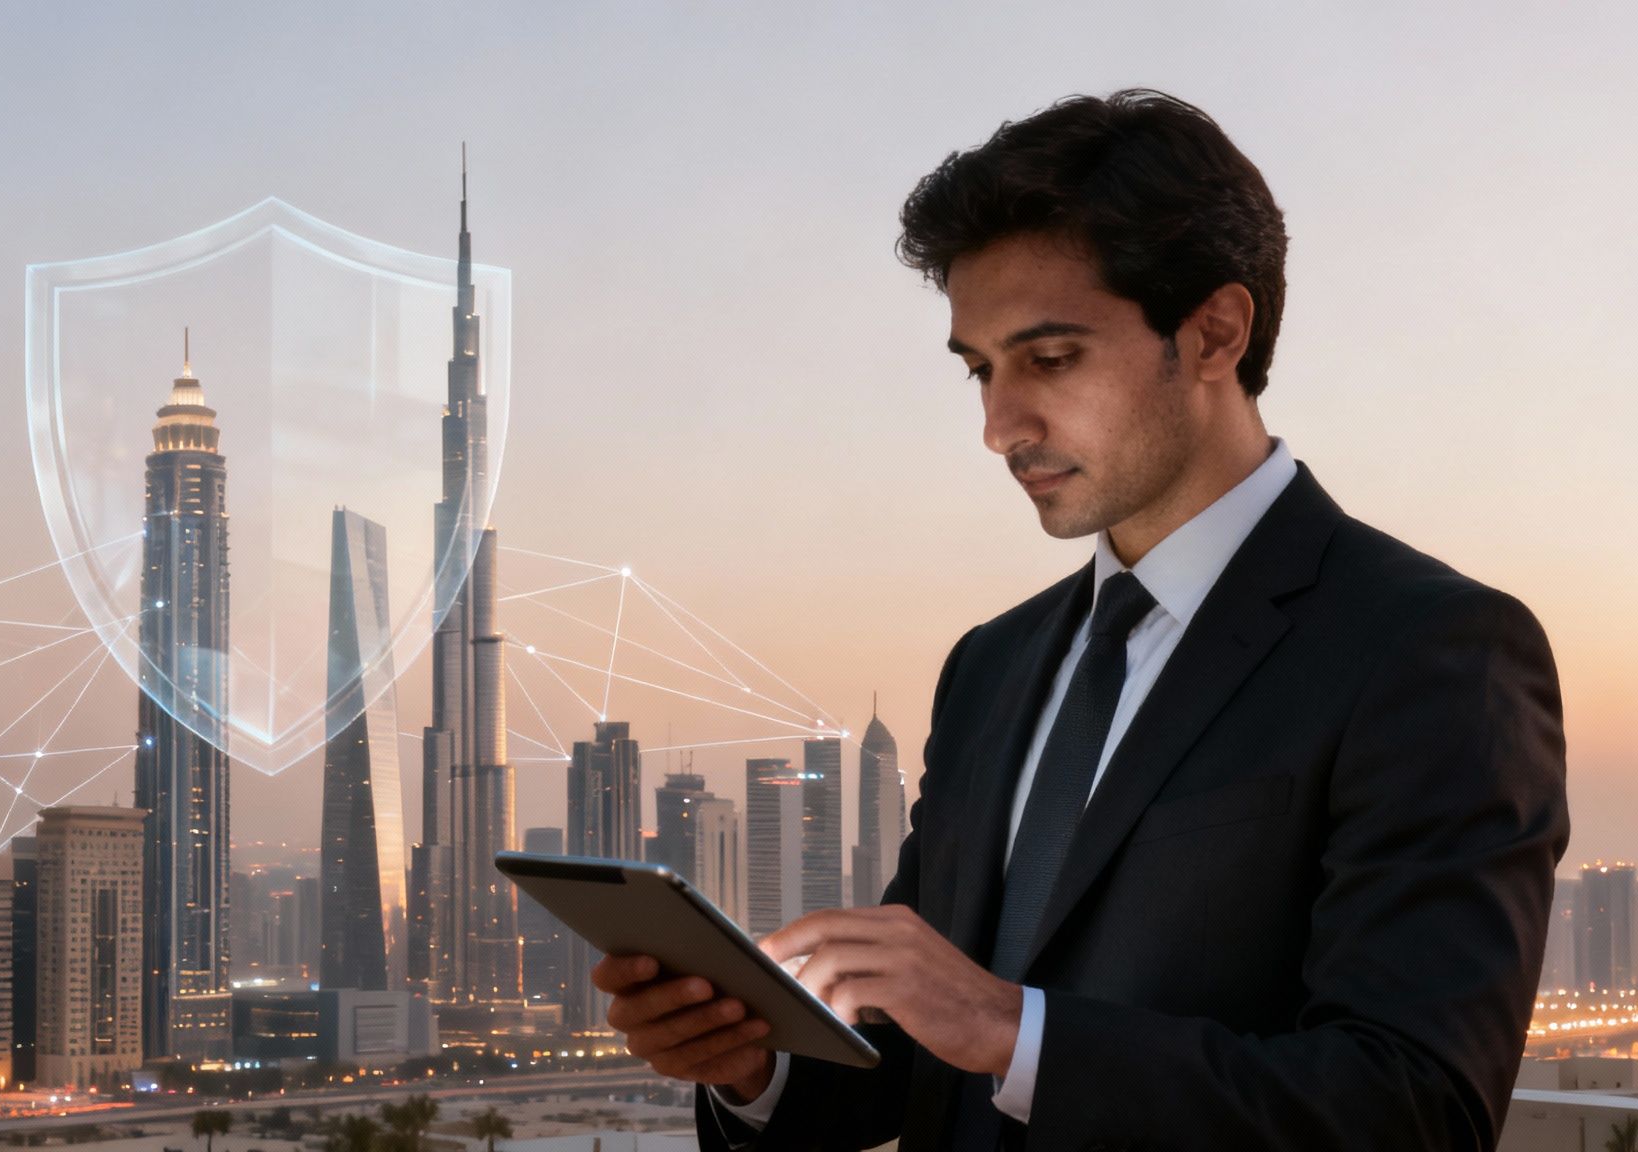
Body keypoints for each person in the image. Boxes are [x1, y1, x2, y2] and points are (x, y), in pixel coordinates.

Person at [590, 88, 1569, 1151]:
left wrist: (1008, 1028)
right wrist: (753, 1068)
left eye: (1048, 358)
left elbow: (1412, 1112)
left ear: (1212, 332)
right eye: (979, 370)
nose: (997, 426)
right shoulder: (990, 666)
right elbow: (918, 1069)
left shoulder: (1429, 651)